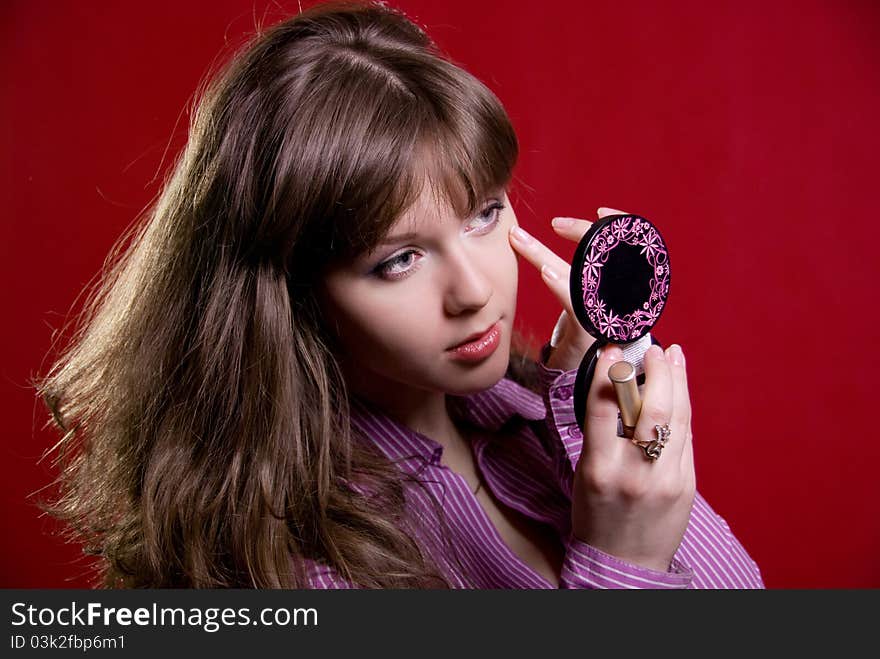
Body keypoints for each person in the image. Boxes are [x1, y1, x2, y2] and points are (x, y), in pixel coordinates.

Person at [35, 0, 763, 589]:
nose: (477, 291)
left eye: (484, 212)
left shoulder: (533, 416)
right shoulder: (290, 569)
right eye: (400, 258)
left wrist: (568, 407)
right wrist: (625, 562)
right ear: (290, 293)